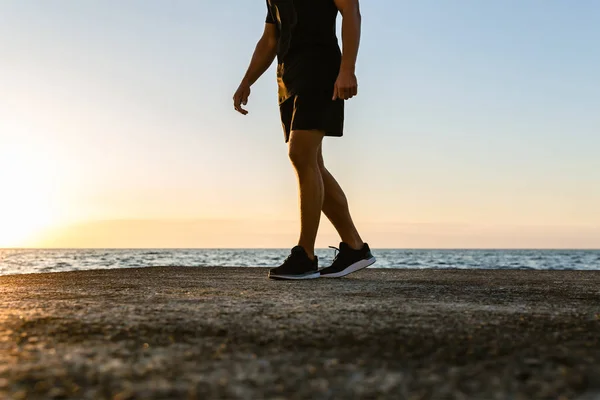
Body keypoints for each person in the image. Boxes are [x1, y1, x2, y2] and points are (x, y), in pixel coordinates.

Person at [233, 0, 375, 280]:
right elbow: (270, 39)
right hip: (288, 78)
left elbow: (351, 10)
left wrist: (347, 68)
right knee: (312, 163)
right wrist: (246, 80)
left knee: (300, 154)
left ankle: (305, 255)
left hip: (321, 69)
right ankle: (355, 247)